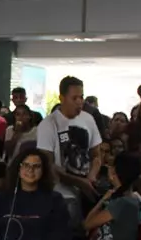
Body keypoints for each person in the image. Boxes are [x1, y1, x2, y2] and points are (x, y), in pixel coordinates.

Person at [37, 76, 103, 219]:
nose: (79, 102)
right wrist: (79, 182)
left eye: (81, 97)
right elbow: (48, 163)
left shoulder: (88, 119)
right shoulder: (48, 124)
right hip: (61, 191)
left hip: (87, 185)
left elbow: (96, 154)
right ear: (62, 98)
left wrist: (91, 176)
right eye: (74, 98)